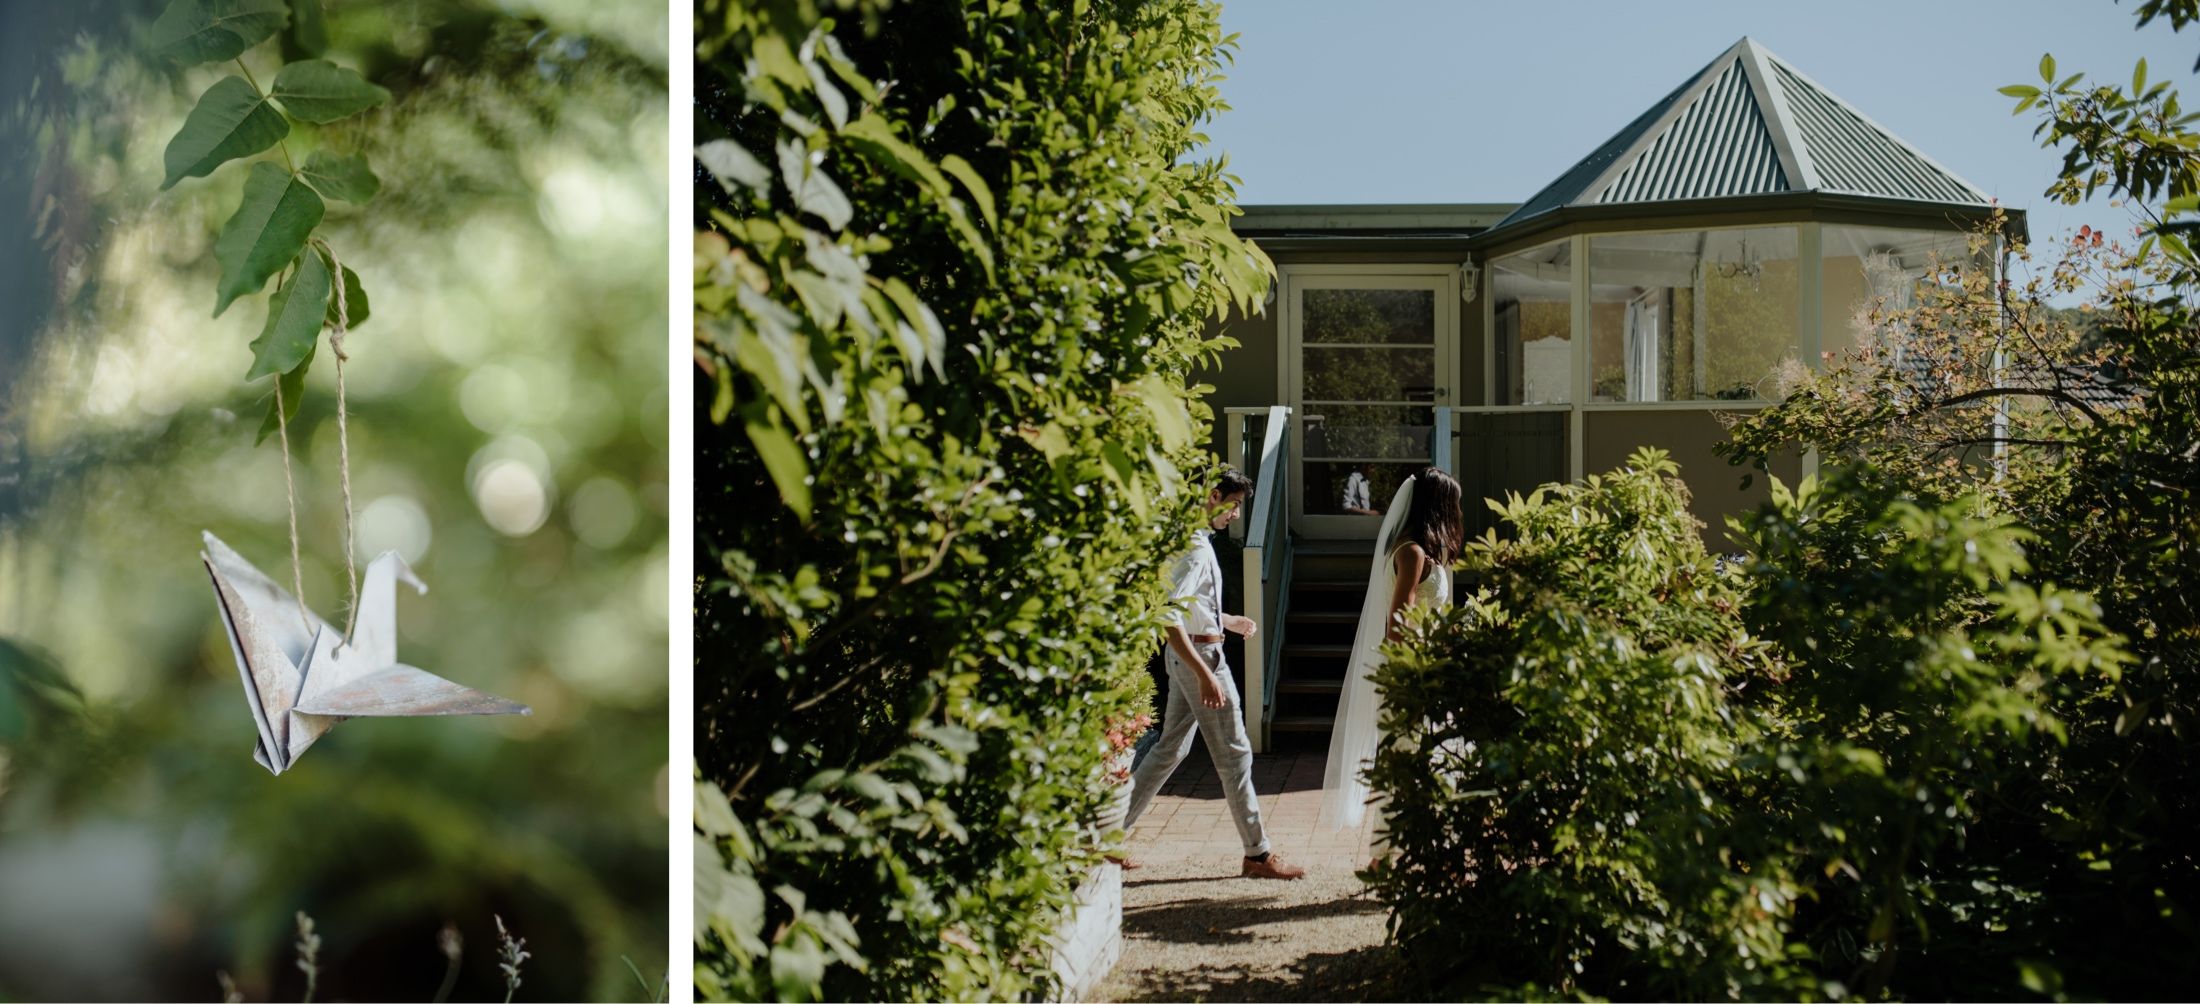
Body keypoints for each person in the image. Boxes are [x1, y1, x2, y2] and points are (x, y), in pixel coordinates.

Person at [1120, 468, 1306, 880]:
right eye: (1235, 505)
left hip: (1197, 650)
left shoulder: (1196, 542)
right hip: (1201, 658)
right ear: (1214, 495)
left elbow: (1188, 608)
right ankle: (1258, 854)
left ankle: (1107, 840)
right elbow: (1169, 616)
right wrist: (1204, 674)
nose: (1236, 515)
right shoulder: (1193, 547)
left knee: (1170, 749)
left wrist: (1229, 621)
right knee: (1235, 753)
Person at [1321, 466, 1463, 832]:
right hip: (1408, 672)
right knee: (1403, 758)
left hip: (1422, 667)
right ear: (1437, 508)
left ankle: (1402, 846)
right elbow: (1398, 624)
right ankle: (1385, 853)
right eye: (1453, 505)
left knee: (1415, 761)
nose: (1457, 514)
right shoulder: (1412, 553)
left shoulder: (1418, 551)